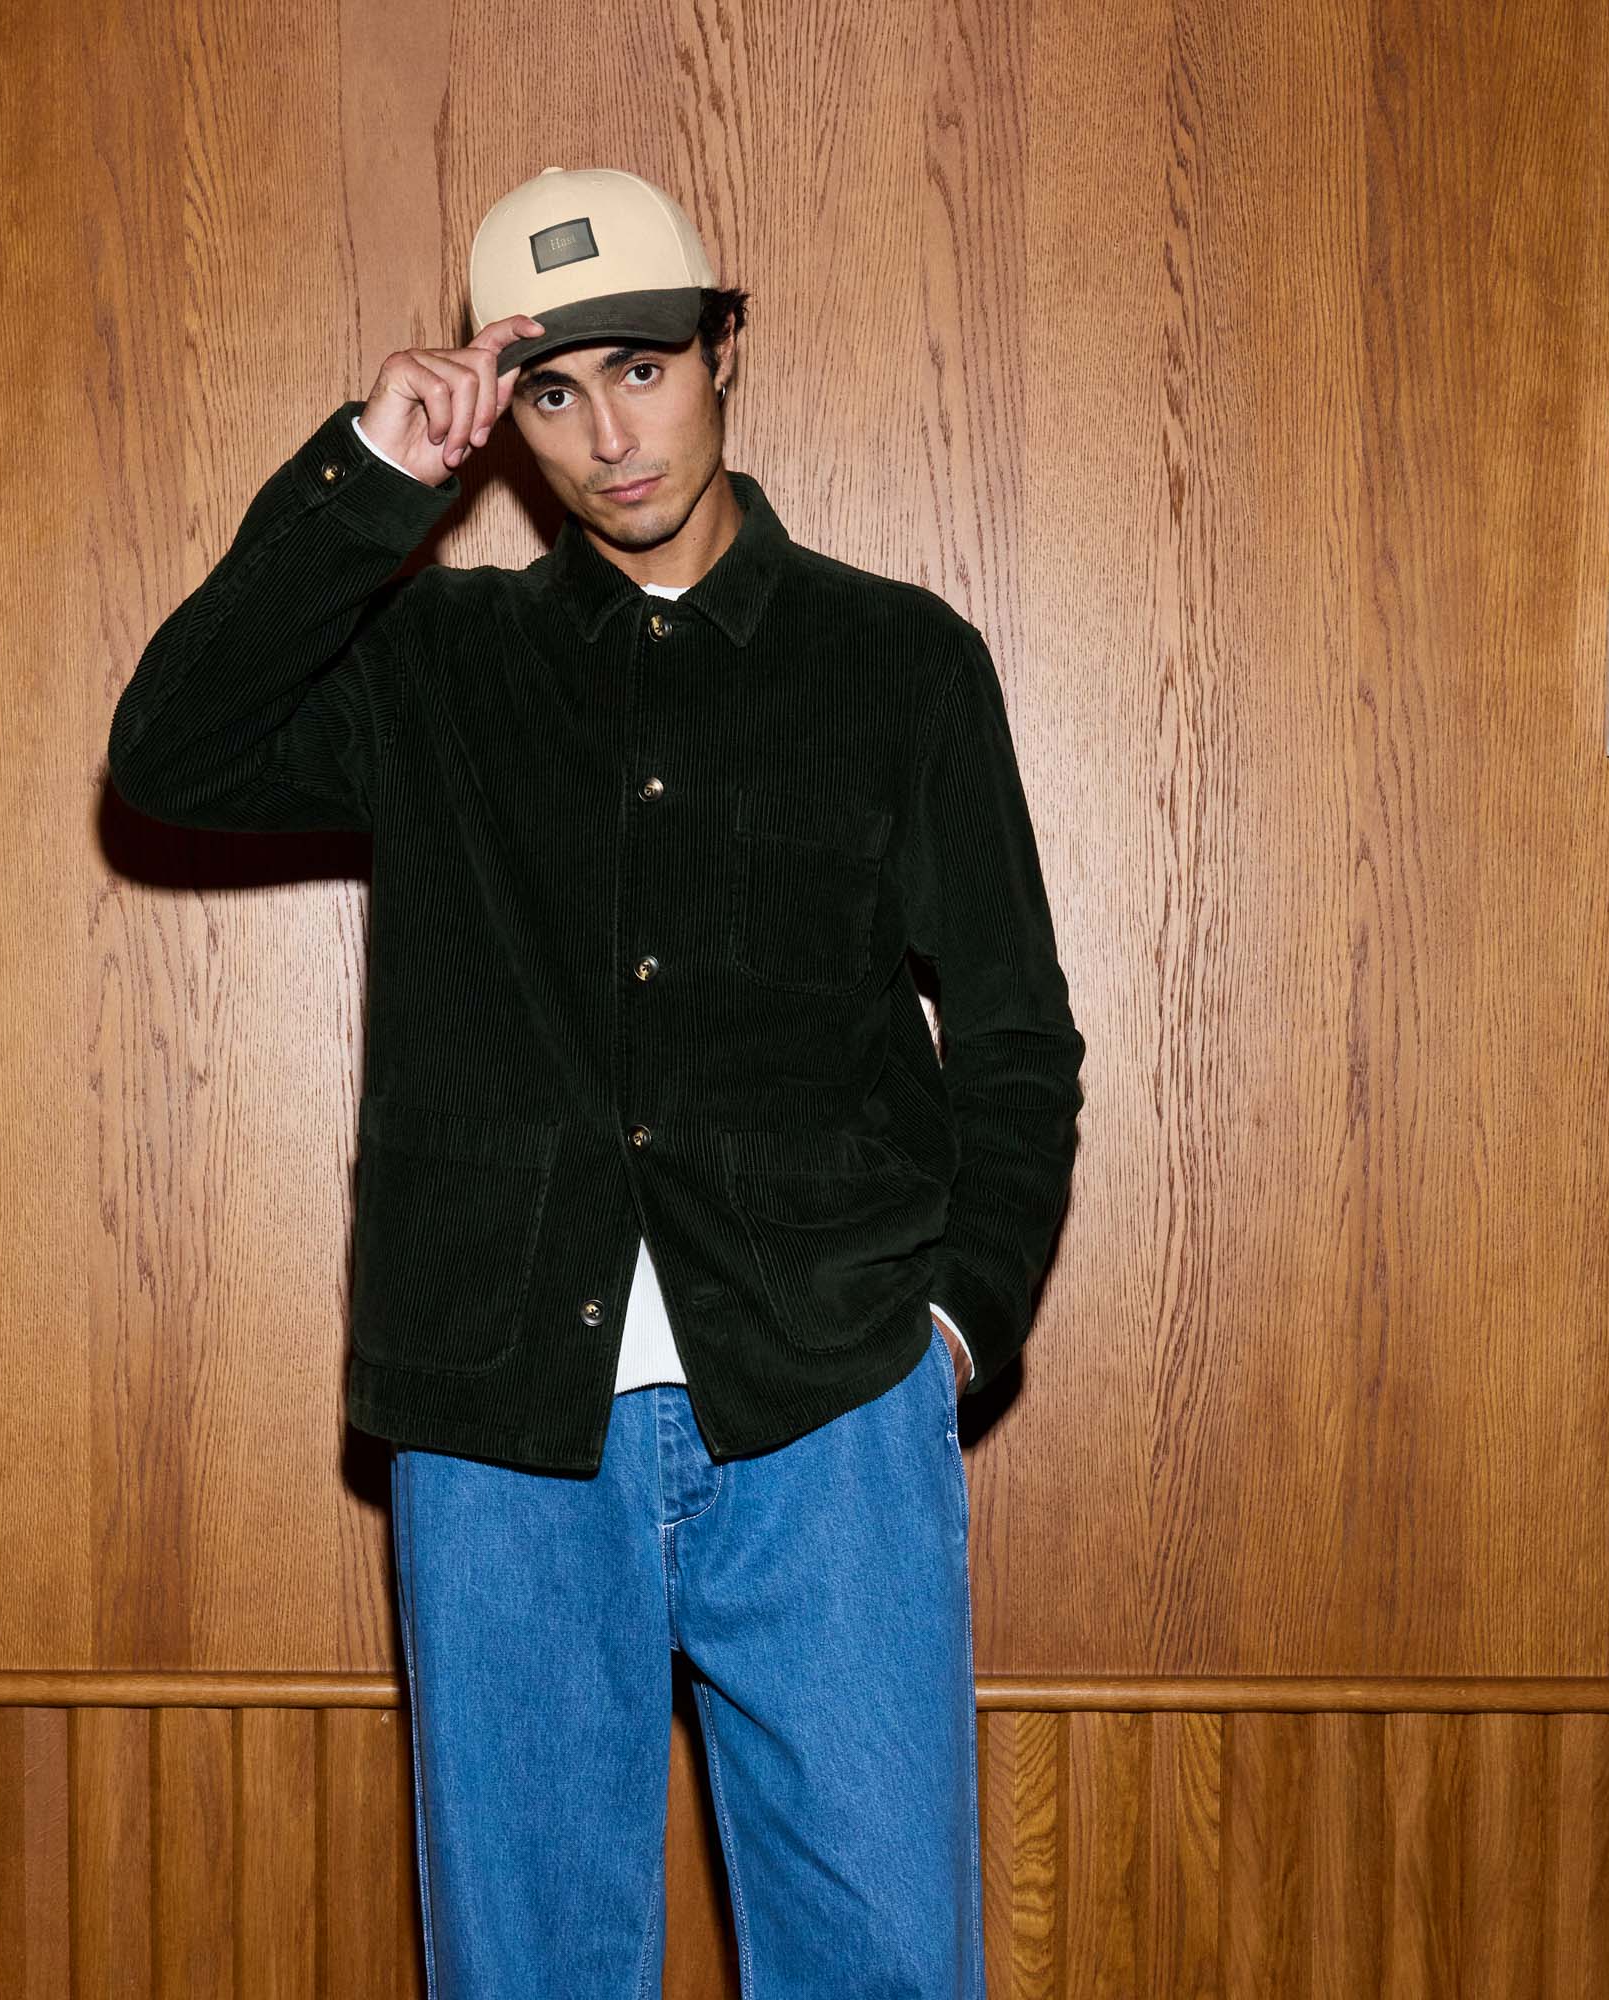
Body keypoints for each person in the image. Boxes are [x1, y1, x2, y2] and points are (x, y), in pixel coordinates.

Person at [107, 164, 1085, 1998]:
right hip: (500, 1425)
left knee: (883, 1963)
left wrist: (956, 1325)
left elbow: (1018, 1037)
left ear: (723, 350)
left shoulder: (899, 662)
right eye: (551, 392)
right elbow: (171, 750)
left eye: (642, 368)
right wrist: (370, 477)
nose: (607, 436)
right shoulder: (437, 662)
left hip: (828, 1408)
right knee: (529, 1969)